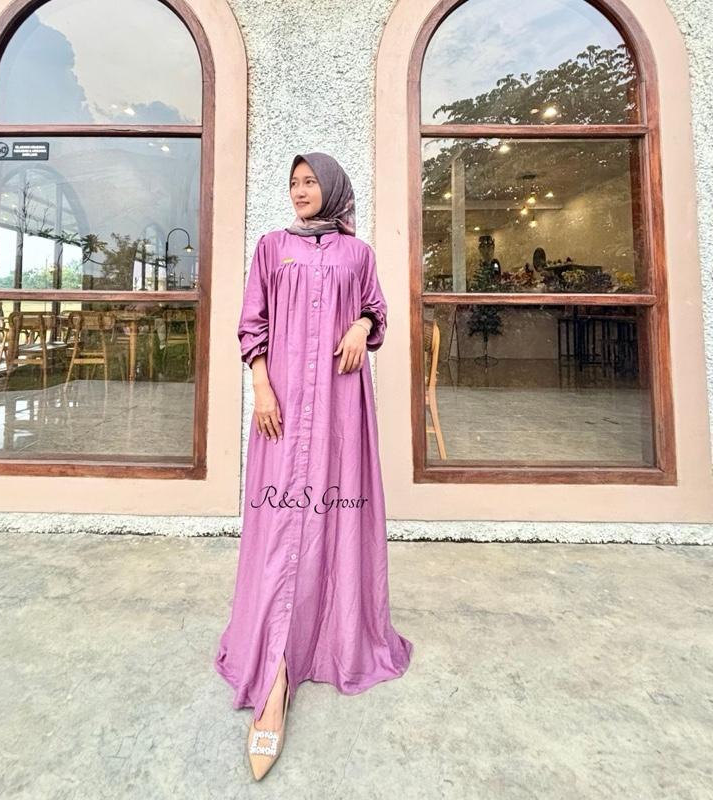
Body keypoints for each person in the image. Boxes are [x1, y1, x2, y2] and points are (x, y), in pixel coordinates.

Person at [214, 152, 413, 781]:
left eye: (310, 182)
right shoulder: (272, 248)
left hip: (340, 406)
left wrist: (361, 324)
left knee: (335, 514)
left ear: (331, 188)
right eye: (293, 182)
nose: (300, 191)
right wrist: (261, 386)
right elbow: (253, 321)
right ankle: (274, 670)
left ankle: (330, 637)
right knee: (280, 525)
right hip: (282, 404)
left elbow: (377, 309)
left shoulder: (359, 254)